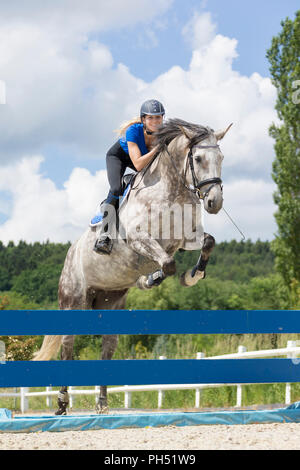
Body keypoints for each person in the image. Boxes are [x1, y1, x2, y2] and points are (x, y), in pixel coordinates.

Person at [91, 99, 165, 254]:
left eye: (158, 117)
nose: (155, 121)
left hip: (143, 159)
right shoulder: (133, 131)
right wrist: (157, 149)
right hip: (119, 157)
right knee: (117, 188)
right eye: (151, 118)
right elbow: (138, 164)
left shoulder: (165, 133)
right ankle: (104, 235)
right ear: (143, 119)